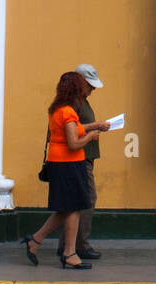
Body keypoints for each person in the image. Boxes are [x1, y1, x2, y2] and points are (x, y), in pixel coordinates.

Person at [20, 71, 103, 270]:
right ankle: (67, 252)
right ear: (76, 88)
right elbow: (74, 143)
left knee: (69, 209)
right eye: (82, 85)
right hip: (69, 163)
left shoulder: (56, 109)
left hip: (60, 163)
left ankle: (44, 242)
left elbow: (72, 131)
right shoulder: (68, 112)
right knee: (71, 208)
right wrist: (91, 137)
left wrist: (94, 126)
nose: (85, 89)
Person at [57, 63, 108, 259]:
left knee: (75, 202)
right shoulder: (73, 103)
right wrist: (93, 128)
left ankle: (66, 245)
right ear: (80, 82)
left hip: (85, 156)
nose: (93, 89)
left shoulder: (82, 100)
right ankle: (78, 246)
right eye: (90, 85)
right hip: (79, 157)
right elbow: (71, 129)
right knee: (86, 200)